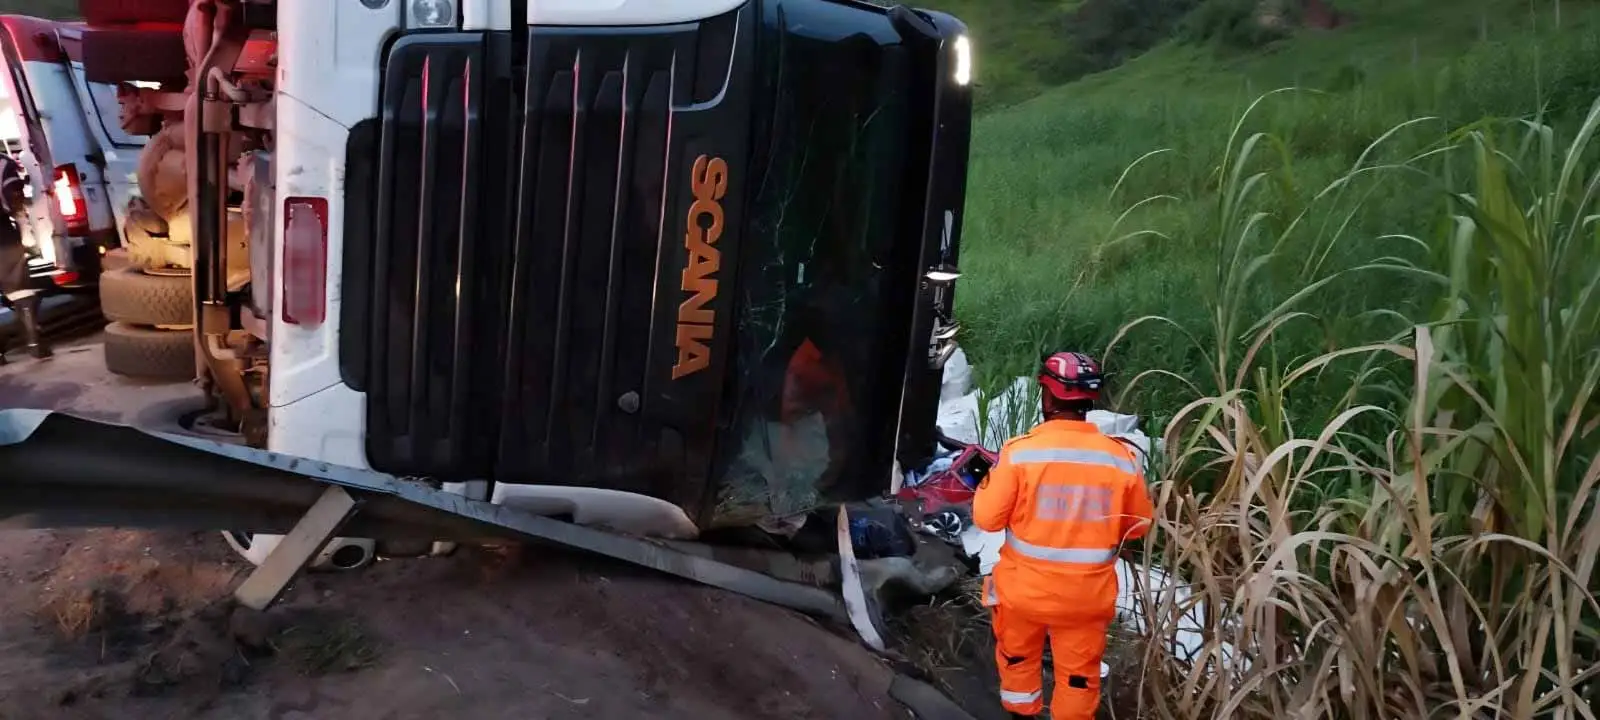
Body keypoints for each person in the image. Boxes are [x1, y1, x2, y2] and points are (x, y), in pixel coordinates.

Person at [972, 351, 1154, 719]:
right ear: (1089, 401)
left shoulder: (1021, 455)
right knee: (1077, 679)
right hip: (1086, 600)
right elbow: (1138, 528)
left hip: (1023, 595)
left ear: (1049, 397)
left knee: (1018, 660)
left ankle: (1021, 715)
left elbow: (987, 519)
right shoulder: (1120, 460)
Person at [0, 151, 50, 364]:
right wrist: (24, 226)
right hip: (2, 236)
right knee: (19, 288)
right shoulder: (2, 163)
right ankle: (35, 344)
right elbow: (14, 194)